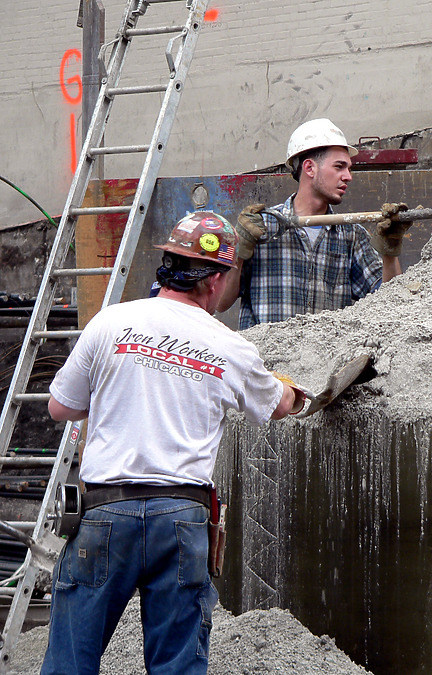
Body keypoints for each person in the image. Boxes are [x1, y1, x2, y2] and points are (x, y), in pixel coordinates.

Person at [40, 211, 307, 675]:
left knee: (70, 661)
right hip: (182, 521)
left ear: (168, 263)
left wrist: (121, 387)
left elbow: (60, 408)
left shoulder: (111, 323)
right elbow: (280, 404)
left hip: (106, 513)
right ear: (217, 280)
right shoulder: (230, 347)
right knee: (177, 666)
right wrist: (296, 394)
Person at [217, 118, 410, 329]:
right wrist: (239, 251)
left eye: (349, 169)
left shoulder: (351, 235)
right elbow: (221, 303)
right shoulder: (262, 228)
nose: (348, 176)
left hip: (322, 360)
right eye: (339, 167)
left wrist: (390, 252)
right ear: (310, 168)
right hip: (267, 359)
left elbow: (389, 303)